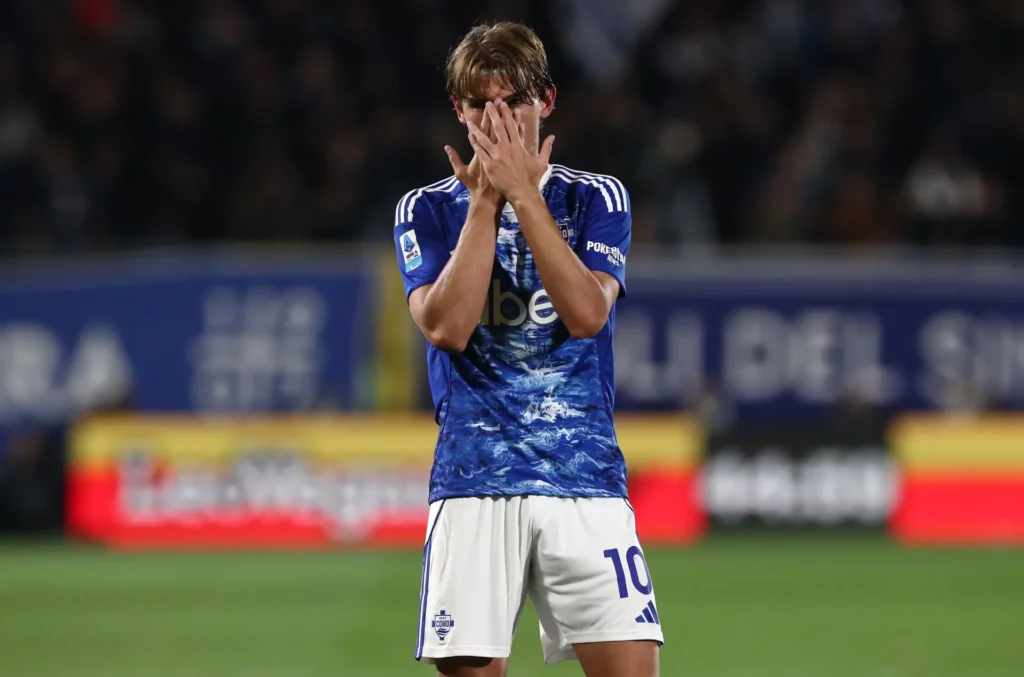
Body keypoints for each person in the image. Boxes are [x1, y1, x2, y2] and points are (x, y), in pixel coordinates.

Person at [393, 21, 662, 677]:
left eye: (514, 100)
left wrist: (525, 195)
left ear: (546, 101)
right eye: (482, 104)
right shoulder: (426, 210)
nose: (499, 119)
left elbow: (587, 312)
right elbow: (447, 327)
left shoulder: (594, 196)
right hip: (473, 482)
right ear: (460, 111)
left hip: (585, 481)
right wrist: (485, 202)